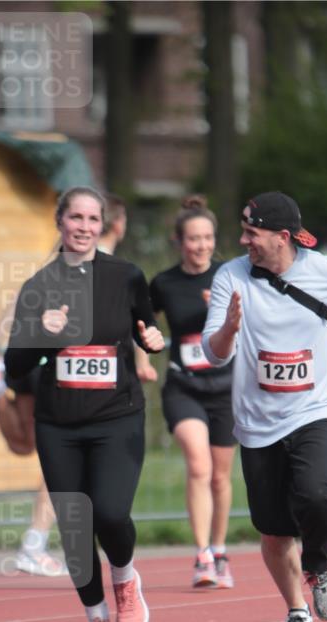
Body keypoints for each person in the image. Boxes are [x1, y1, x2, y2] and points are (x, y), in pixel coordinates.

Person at [202, 191, 327, 622]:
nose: (243, 240)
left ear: (282, 237)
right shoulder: (230, 277)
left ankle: (320, 565)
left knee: (317, 496)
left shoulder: (326, 272)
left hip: (316, 409)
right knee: (273, 531)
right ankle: (297, 614)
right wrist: (228, 327)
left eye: (252, 233)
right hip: (257, 421)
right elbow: (213, 351)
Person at [4, 186, 164, 622]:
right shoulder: (38, 286)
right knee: (75, 527)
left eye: (93, 219)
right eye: (76, 218)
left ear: (103, 224)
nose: (84, 227)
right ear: (60, 222)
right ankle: (96, 621)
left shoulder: (127, 276)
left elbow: (145, 329)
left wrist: (152, 341)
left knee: (111, 513)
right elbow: (15, 366)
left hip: (117, 416)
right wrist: (40, 335)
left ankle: (125, 577)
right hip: (59, 423)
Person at [149, 195, 236, 589]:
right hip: (184, 386)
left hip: (226, 388)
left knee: (220, 476)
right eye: (193, 239)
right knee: (198, 466)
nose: (200, 246)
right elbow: (141, 326)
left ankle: (219, 551)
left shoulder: (230, 277)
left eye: (207, 238)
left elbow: (252, 324)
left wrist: (224, 313)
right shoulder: (164, 283)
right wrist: (140, 359)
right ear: (178, 241)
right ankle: (201, 556)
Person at [0, 284, 67, 577]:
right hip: (52, 363)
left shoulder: (50, 266)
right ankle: (33, 546)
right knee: (62, 461)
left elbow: (18, 299)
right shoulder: (90, 255)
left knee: (24, 445)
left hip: (23, 354)